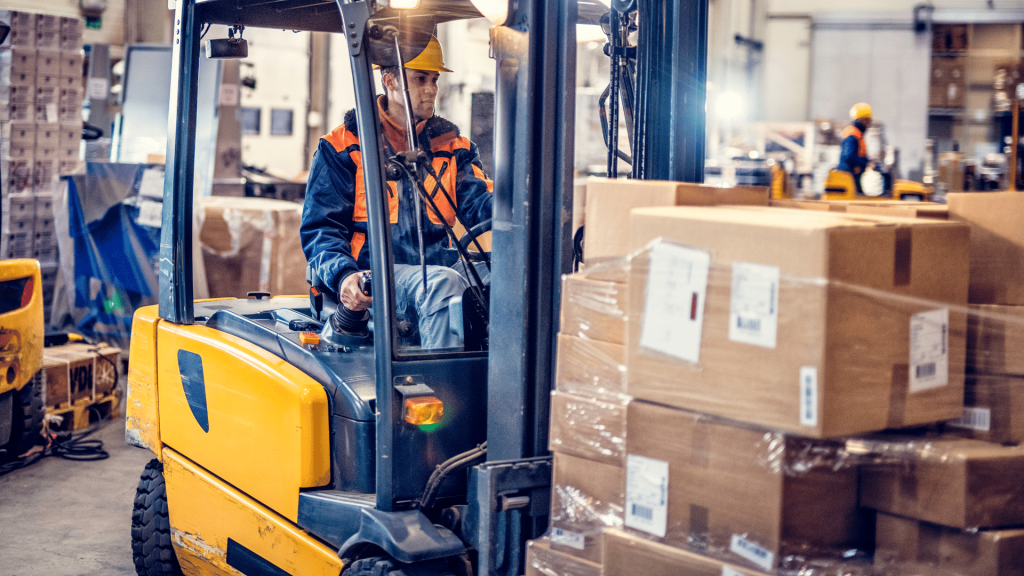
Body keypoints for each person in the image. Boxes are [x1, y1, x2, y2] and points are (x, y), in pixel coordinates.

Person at [301, 36, 493, 350]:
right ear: (389, 80)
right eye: (420, 79)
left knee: (508, 278)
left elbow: (480, 203)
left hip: (439, 264)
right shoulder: (343, 146)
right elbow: (321, 229)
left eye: (435, 79)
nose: (431, 88)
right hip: (373, 273)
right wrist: (343, 275)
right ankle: (442, 392)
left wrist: (521, 206)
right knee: (441, 285)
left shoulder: (453, 147)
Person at [837, 102, 872, 195]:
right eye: (868, 120)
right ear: (862, 120)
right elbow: (849, 156)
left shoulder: (857, 133)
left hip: (852, 175)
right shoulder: (852, 134)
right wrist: (865, 162)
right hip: (848, 176)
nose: (869, 124)